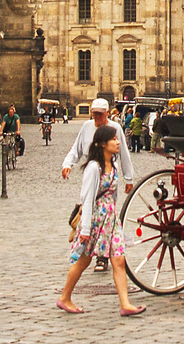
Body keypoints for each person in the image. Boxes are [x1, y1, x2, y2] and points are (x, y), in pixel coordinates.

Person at [57, 125, 146, 317]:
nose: (118, 142)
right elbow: (87, 200)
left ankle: (125, 304)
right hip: (95, 220)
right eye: (114, 139)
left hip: (110, 220)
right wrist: (85, 229)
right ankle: (65, 298)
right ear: (102, 144)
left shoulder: (112, 166)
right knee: (83, 261)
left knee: (119, 260)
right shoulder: (93, 168)